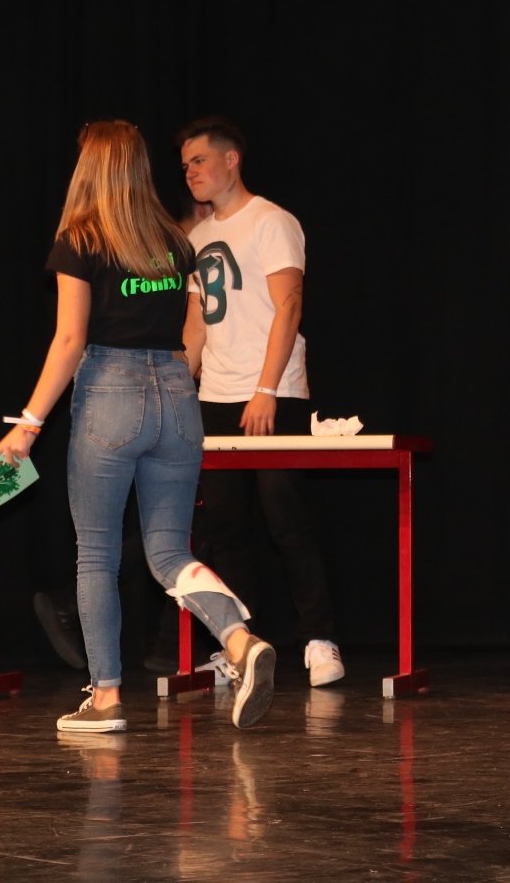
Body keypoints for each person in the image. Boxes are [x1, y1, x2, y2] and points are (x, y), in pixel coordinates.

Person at [0, 120, 274, 732]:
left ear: (90, 169)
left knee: (96, 554)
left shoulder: (82, 238)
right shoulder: (174, 240)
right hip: (177, 392)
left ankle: (107, 699)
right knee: (169, 550)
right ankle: (239, 638)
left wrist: (28, 424)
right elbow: (192, 326)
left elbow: (70, 340)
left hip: (111, 393)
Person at [177, 117, 344, 688]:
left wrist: (266, 389)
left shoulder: (272, 221)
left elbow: (289, 305)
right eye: (186, 165)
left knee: (286, 518)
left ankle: (319, 638)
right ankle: (242, 645)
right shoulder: (197, 237)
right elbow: (197, 322)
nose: (191, 172)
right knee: (223, 529)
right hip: (216, 396)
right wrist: (178, 387)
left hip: (272, 392)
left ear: (231, 160)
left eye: (200, 160)